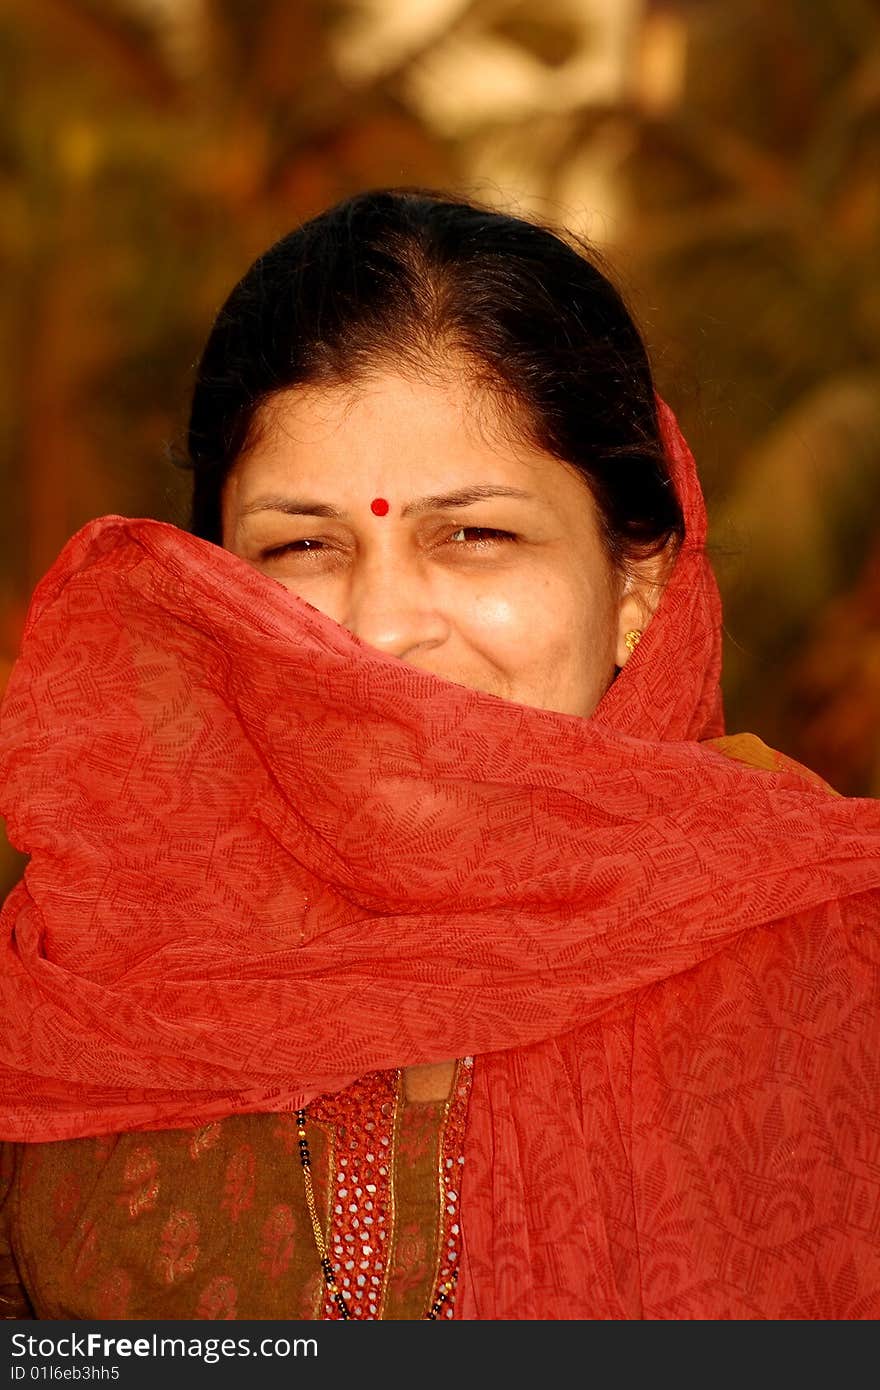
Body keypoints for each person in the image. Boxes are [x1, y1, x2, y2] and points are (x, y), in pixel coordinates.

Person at [1, 188, 878, 1321]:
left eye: (472, 535)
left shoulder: (841, 973)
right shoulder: (87, 976)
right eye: (302, 543)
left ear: (636, 583)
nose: (378, 628)